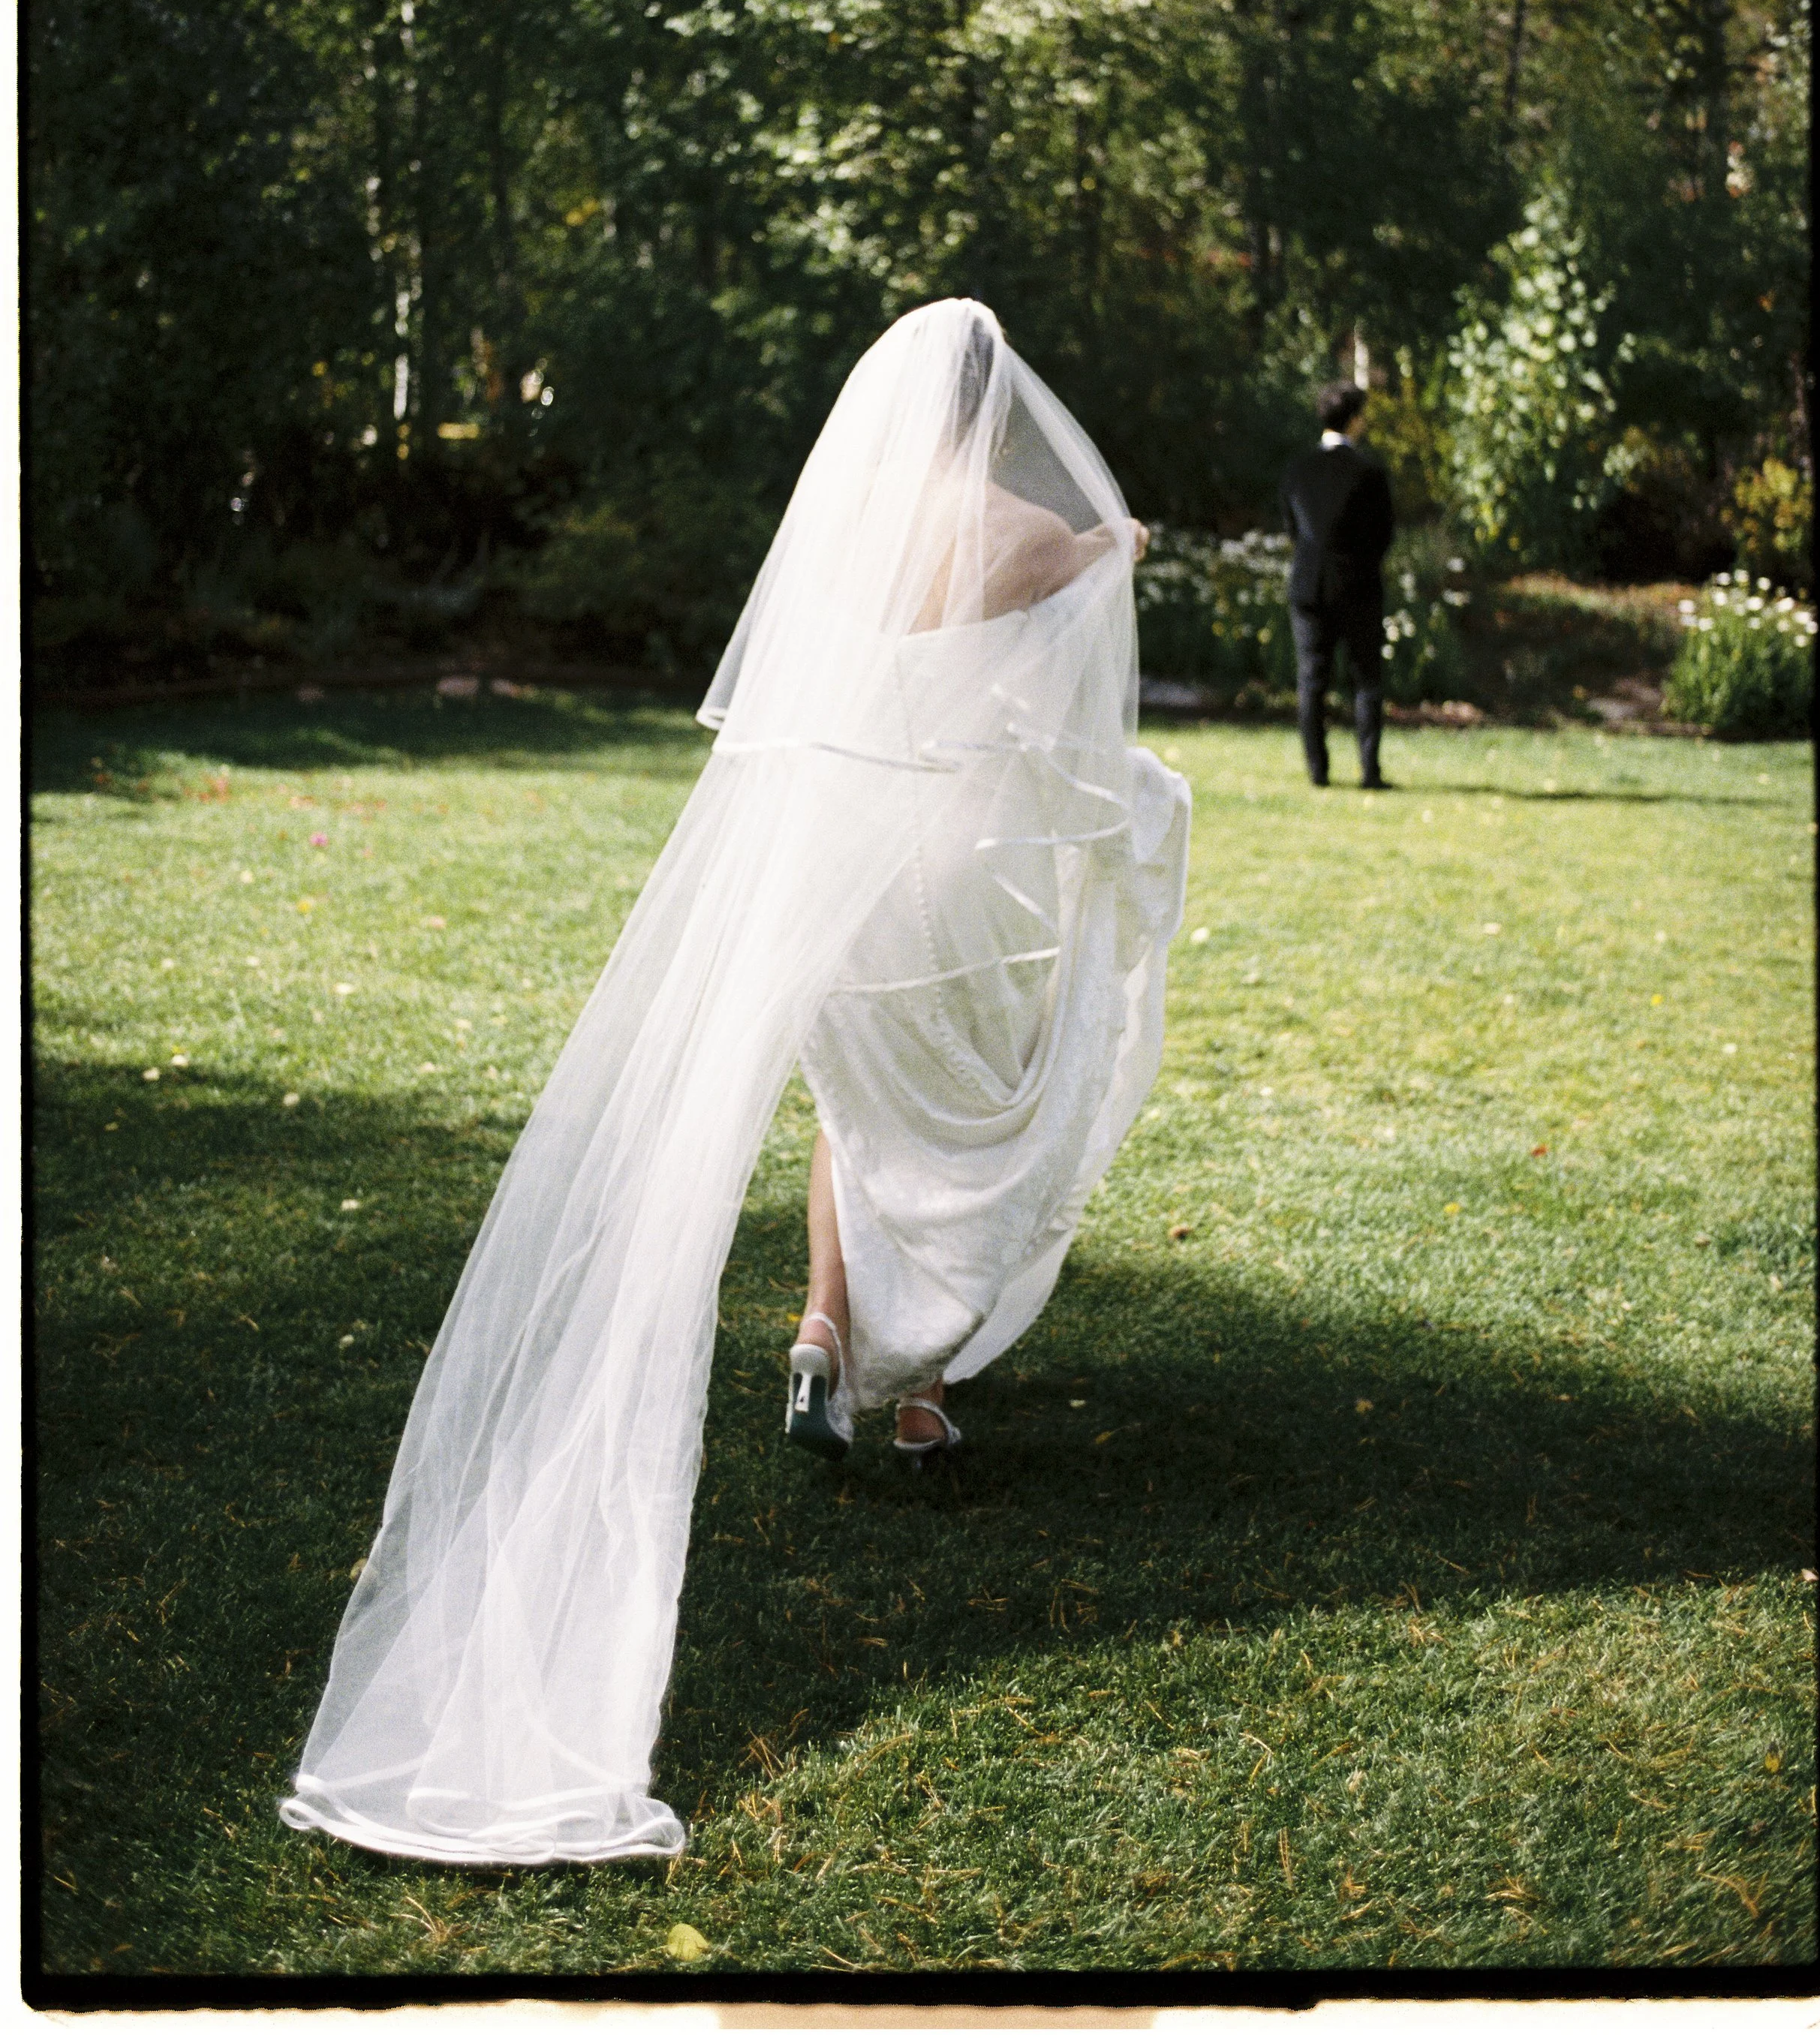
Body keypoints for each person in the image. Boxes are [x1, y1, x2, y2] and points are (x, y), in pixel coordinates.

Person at [278, 299, 1189, 1865]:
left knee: (851, 1104)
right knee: (957, 1110)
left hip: (825, 875)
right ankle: (907, 1395)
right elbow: (1092, 605)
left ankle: (823, 1332)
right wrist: (1116, 542)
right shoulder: (1033, 531)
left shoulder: (835, 531)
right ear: (997, 406)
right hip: (953, 870)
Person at [1279, 377, 1396, 792]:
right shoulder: (1370, 473)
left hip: (1309, 586)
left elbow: (1293, 528)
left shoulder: (1298, 470)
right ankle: (1369, 769)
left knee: (1312, 679)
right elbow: (1385, 534)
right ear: (1357, 420)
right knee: (1366, 679)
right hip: (1358, 585)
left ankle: (1319, 770)